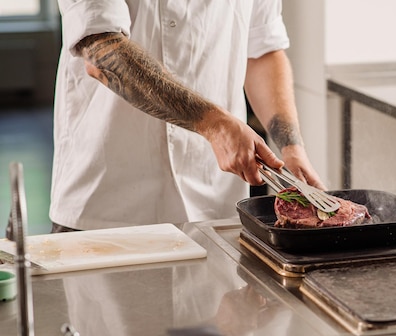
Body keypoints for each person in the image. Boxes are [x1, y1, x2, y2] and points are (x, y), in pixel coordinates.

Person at [51, 0, 324, 232]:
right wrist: (216, 126)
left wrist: (291, 149)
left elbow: (263, 50)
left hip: (213, 206)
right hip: (106, 204)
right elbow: (102, 52)